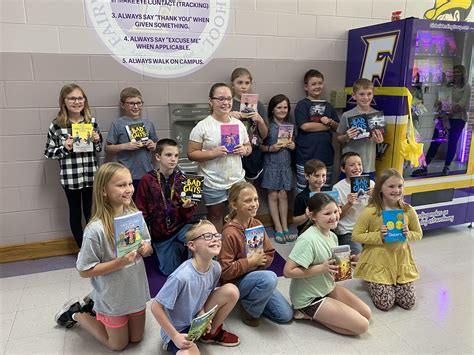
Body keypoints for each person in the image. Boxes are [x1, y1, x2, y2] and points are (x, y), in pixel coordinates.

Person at [54, 162, 154, 351]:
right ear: (103, 191)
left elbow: (148, 248)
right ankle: (77, 313)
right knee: (118, 345)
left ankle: (93, 299)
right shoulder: (95, 229)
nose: (129, 189)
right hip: (112, 296)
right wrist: (119, 262)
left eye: (130, 183)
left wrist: (144, 249)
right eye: (121, 185)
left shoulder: (135, 216)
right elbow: (84, 271)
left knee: (137, 338)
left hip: (134, 291)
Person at [283, 193, 371, 335]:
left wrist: (348, 262)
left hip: (326, 287)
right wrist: (321, 268)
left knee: (366, 313)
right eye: (327, 213)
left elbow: (330, 264)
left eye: (336, 211)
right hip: (309, 298)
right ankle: (306, 312)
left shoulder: (333, 236)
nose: (333, 216)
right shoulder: (308, 240)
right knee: (362, 327)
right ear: (313, 216)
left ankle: (323, 312)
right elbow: (288, 272)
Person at [152, 219, 240, 354]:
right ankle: (174, 344)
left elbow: (204, 295)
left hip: (197, 322)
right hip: (178, 329)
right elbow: (155, 307)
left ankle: (209, 334)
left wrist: (202, 314)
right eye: (208, 236)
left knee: (232, 291)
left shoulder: (216, 268)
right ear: (192, 245)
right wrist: (175, 336)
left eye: (217, 235)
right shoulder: (181, 276)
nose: (215, 239)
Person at [219, 182, 293, 327]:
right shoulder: (229, 233)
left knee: (285, 316)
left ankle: (253, 299)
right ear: (234, 205)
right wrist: (250, 262)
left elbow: (270, 252)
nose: (254, 204)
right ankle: (250, 311)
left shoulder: (257, 224)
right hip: (236, 282)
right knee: (270, 278)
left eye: (255, 199)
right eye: (247, 201)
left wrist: (261, 262)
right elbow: (225, 272)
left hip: (257, 276)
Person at [352, 168, 423, 311]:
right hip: (378, 260)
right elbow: (356, 235)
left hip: (400, 260)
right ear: (380, 189)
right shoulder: (370, 212)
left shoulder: (408, 210)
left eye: (399, 186)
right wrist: (378, 236)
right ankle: (371, 279)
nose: (396, 190)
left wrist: (407, 233)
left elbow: (418, 234)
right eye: (391, 186)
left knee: (408, 303)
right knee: (385, 304)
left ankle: (392, 282)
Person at [44, 84, 103, 248]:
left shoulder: (91, 122)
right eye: (72, 98)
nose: (76, 101)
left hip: (91, 176)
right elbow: (48, 153)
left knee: (92, 214)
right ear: (64, 102)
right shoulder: (57, 125)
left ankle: (95, 247)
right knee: (76, 214)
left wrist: (97, 140)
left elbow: (98, 149)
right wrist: (65, 148)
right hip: (71, 178)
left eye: (80, 98)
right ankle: (82, 249)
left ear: (84, 100)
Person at [188, 83, 251, 232]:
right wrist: (212, 153)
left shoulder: (239, 125)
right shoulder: (202, 126)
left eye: (228, 98)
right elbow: (191, 154)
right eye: (220, 98)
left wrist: (245, 149)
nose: (226, 102)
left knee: (239, 214)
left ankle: (235, 245)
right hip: (212, 181)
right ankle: (218, 249)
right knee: (215, 215)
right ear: (211, 101)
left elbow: (249, 146)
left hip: (236, 179)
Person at [135, 139, 197, 276]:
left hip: (181, 227)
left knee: (201, 240)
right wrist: (145, 239)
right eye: (168, 155)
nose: (173, 159)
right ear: (158, 157)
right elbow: (141, 211)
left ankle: (193, 272)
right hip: (160, 234)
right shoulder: (147, 180)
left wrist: (186, 208)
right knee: (169, 272)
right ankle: (178, 248)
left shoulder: (184, 180)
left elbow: (188, 216)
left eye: (176, 156)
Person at [412, 64, 471, 176]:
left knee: (452, 143)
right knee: (435, 141)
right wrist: (439, 103)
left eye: (458, 72)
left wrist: (450, 111)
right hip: (443, 118)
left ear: (463, 74)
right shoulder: (448, 85)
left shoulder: (466, 87)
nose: (455, 74)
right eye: (454, 71)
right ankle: (425, 166)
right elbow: (443, 99)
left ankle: (446, 167)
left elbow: (462, 104)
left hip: (457, 119)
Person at [105, 87, 158, 196]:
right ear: (122, 105)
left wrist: (153, 145)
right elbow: (108, 148)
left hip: (147, 173)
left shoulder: (148, 123)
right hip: (127, 176)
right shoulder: (117, 124)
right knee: (129, 207)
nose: (136, 106)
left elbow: (157, 144)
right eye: (131, 103)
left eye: (139, 103)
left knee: (147, 207)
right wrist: (125, 146)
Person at [295, 69, 339, 192]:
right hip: (305, 157)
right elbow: (305, 126)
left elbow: (338, 128)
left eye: (320, 83)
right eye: (313, 84)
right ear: (306, 87)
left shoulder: (328, 106)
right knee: (304, 190)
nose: (317, 86)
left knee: (324, 191)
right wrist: (326, 126)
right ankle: (303, 212)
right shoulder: (302, 105)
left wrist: (330, 122)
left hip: (325, 157)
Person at [260, 94, 296, 244]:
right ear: (272, 109)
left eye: (285, 107)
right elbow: (258, 146)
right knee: (273, 196)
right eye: (279, 107)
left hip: (285, 165)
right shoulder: (267, 125)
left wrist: (293, 146)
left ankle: (285, 226)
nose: (282, 110)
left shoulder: (290, 125)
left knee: (283, 196)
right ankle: (278, 227)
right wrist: (270, 148)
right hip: (271, 165)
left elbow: (294, 144)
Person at [336, 78, 384, 181]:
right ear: (354, 95)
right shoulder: (347, 115)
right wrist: (346, 136)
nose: (366, 97)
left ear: (373, 94)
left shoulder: (377, 115)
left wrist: (379, 140)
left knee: (366, 196)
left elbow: (380, 138)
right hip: (349, 167)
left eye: (369, 94)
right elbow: (338, 139)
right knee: (346, 194)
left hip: (368, 166)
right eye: (361, 94)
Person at [229, 67, 269, 181]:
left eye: (247, 83)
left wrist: (260, 120)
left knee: (249, 186)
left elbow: (265, 135)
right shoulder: (227, 104)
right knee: (234, 187)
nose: (243, 86)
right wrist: (228, 116)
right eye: (239, 82)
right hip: (233, 151)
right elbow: (216, 126)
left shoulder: (258, 105)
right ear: (233, 84)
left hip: (253, 151)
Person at [333, 152, 375, 256]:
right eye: (352, 165)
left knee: (378, 254)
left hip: (368, 229)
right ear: (343, 169)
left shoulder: (371, 184)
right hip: (348, 230)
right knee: (358, 258)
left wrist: (376, 197)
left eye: (359, 164)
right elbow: (336, 217)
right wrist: (349, 204)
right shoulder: (337, 188)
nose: (357, 168)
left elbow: (380, 209)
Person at [292, 159, 327, 236]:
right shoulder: (301, 197)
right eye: (316, 176)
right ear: (307, 176)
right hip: (307, 233)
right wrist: (306, 216)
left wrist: (336, 212)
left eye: (323, 175)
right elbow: (295, 221)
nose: (321, 179)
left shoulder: (327, 194)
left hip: (325, 231)